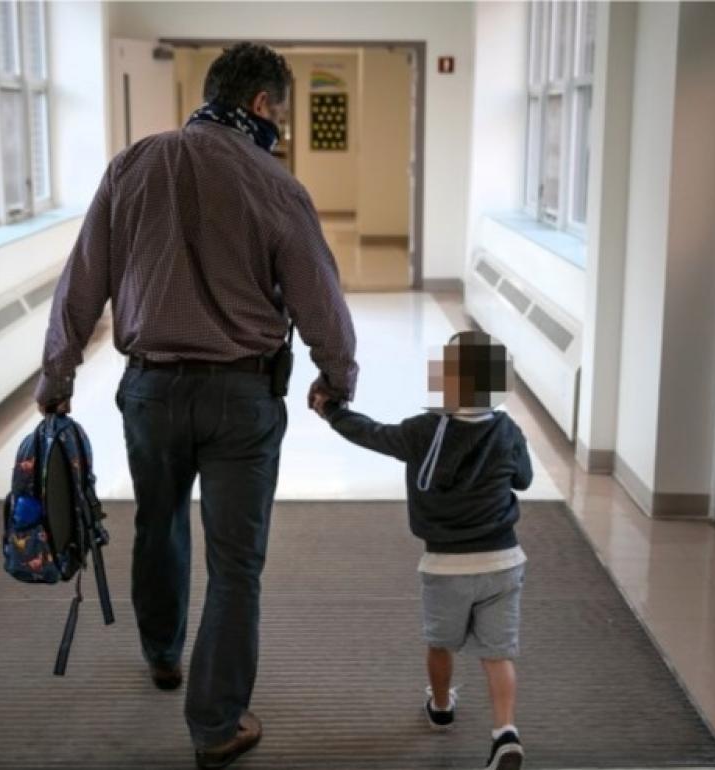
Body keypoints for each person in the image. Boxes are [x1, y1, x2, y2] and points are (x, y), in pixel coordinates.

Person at [35, 43, 358, 769]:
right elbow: (319, 299)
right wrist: (338, 376)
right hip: (244, 396)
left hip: (150, 389)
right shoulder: (276, 186)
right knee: (237, 564)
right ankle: (214, 724)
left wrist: (56, 376)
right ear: (263, 105)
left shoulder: (132, 164)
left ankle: (161, 652)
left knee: (159, 519)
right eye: (283, 108)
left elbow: (80, 282)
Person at [312, 331, 531, 770]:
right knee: (498, 653)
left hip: (445, 564)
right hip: (504, 561)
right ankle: (505, 730)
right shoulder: (507, 431)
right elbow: (522, 480)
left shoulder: (423, 431)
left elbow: (371, 434)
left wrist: (332, 411)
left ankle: (441, 705)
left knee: (440, 643)